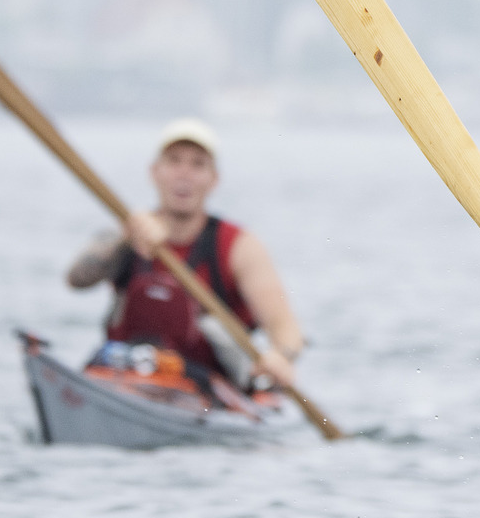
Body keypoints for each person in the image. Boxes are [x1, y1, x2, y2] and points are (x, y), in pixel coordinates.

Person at [65, 118, 305, 393]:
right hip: (124, 374)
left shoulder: (238, 245)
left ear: (213, 179)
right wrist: (127, 237)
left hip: (205, 388)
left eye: (197, 164)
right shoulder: (127, 233)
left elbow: (286, 328)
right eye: (174, 161)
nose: (184, 174)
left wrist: (281, 356)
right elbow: (76, 280)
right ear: (155, 172)